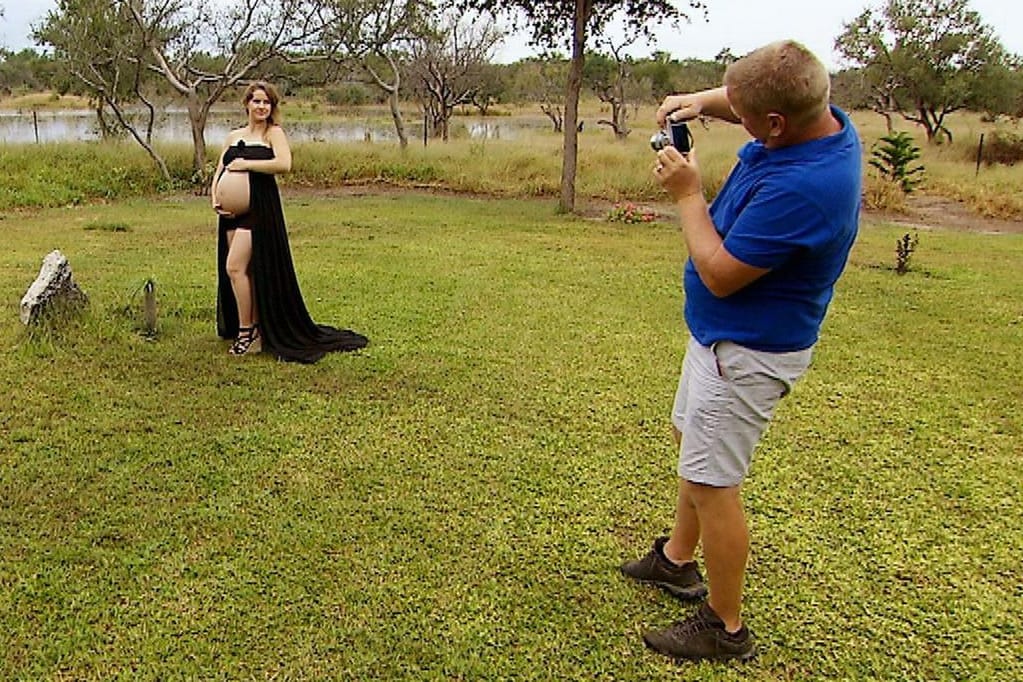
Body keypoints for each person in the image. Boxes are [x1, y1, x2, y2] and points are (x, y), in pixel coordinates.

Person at [620, 40, 861, 662]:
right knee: (693, 451)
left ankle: (725, 627)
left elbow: (723, 272)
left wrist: (687, 193)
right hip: (722, 338)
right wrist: (699, 100)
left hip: (746, 351)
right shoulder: (817, 121)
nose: (737, 120)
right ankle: (677, 562)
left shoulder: (809, 186)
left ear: (775, 124)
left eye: (748, 118)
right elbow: (750, 101)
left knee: (712, 481)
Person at [212, 81, 368, 362]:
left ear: (272, 107)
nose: (261, 107)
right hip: (231, 215)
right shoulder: (233, 135)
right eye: (257, 101)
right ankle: (252, 330)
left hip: (260, 207)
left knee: (234, 267)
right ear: (246, 103)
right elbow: (220, 167)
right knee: (246, 271)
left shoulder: (274, 133)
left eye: (266, 103)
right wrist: (215, 195)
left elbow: (284, 164)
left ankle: (248, 333)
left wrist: (246, 164)